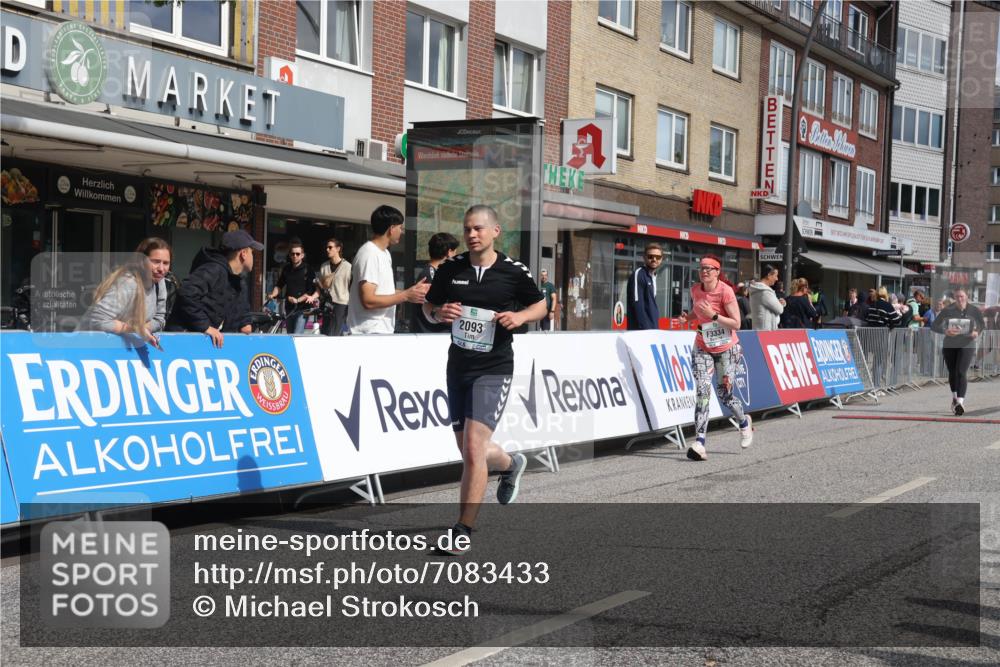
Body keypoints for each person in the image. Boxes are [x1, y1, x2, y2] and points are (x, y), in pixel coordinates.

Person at [422, 205, 547, 555]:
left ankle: (462, 530)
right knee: (467, 450)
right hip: (458, 365)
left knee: (475, 449)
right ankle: (510, 464)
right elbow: (428, 307)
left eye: (478, 228)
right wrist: (437, 313)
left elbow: (541, 306)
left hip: (494, 367)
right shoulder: (450, 269)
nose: (472, 234)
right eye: (467, 229)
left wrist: (520, 316)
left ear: (495, 231)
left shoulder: (512, 272)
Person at [684, 254, 753, 461]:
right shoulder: (695, 290)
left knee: (724, 395)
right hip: (703, 346)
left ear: (717, 272)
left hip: (726, 349)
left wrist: (714, 315)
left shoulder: (726, 291)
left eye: (709, 268)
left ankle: (743, 422)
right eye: (701, 268)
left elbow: (736, 323)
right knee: (703, 390)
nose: (704, 271)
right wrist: (685, 317)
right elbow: (698, 312)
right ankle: (700, 443)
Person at [166, 229, 259, 347]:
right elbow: (186, 293)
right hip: (184, 342)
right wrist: (205, 326)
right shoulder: (213, 269)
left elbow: (241, 311)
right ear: (243, 253)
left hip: (210, 347)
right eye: (252, 252)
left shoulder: (239, 281)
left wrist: (245, 323)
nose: (254, 257)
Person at [348, 205, 429, 334]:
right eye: (400, 228)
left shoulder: (384, 253)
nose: (401, 232)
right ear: (391, 229)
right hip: (368, 332)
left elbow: (384, 291)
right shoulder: (369, 254)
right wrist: (406, 295)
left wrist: (411, 293)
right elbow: (368, 301)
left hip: (380, 331)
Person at [77, 237, 171, 349]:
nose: (161, 268)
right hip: (86, 348)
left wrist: (142, 329)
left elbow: (159, 319)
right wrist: (135, 329)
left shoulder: (159, 282)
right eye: (155, 261)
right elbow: (97, 320)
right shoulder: (128, 283)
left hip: (117, 350)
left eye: (166, 263)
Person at [931, 289, 985, 415]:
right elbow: (934, 325)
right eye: (957, 296)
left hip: (967, 344)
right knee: (953, 372)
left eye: (961, 296)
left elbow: (982, 324)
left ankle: (960, 402)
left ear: (967, 296)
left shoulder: (974, 310)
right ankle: (955, 398)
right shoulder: (948, 310)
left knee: (961, 371)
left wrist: (977, 332)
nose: (959, 299)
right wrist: (945, 331)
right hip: (950, 344)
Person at [410, 232, 459, 334]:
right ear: (449, 252)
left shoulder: (434, 272)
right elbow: (434, 305)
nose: (455, 256)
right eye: (455, 252)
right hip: (429, 335)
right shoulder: (430, 274)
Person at [268, 239, 319, 334]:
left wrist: (298, 300)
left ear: (302, 255)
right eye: (292, 254)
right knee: (290, 335)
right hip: (289, 308)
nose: (295, 256)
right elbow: (279, 285)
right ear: (290, 255)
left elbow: (310, 291)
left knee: (297, 335)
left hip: (303, 309)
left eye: (298, 254)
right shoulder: (286, 268)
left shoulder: (308, 270)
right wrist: (273, 294)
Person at [318, 238, 351, 336]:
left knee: (336, 333)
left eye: (330, 247)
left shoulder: (348, 267)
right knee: (325, 331)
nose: (327, 249)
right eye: (327, 247)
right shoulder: (324, 266)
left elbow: (352, 287)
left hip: (341, 303)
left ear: (338, 249)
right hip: (327, 303)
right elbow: (320, 285)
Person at [626, 243, 662, 330]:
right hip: (641, 333)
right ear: (644, 257)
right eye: (650, 256)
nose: (654, 259)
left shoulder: (652, 277)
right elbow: (637, 303)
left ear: (661, 259)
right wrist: (645, 331)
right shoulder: (639, 274)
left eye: (658, 257)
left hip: (652, 329)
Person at [749, 264, 785, 332]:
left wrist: (779, 303)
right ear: (769, 275)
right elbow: (780, 309)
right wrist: (781, 304)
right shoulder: (765, 292)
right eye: (775, 276)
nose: (777, 279)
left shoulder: (758, 290)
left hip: (759, 329)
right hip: (766, 331)